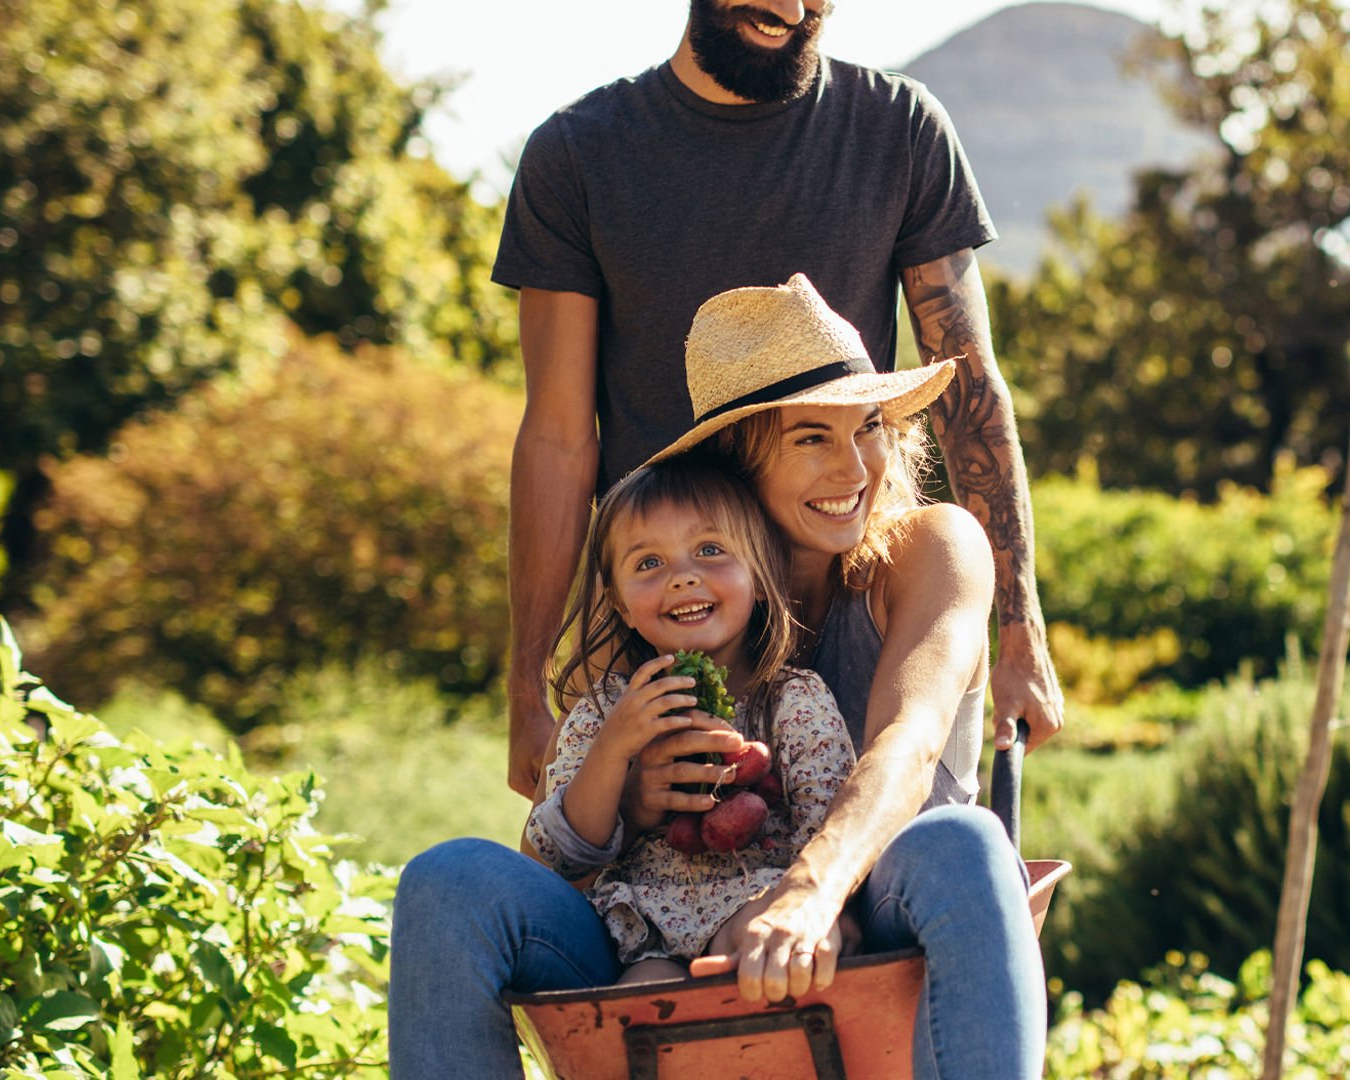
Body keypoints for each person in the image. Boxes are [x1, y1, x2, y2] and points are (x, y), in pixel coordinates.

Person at [390, 275, 1044, 1078]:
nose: (854, 468)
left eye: (868, 428)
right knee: (447, 880)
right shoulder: (664, 595)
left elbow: (905, 743)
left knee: (967, 839)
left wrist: (809, 895)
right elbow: (567, 840)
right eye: (811, 438)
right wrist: (631, 796)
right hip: (660, 937)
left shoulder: (930, 548)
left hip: (879, 903)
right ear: (738, 459)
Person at [494, 0, 1065, 803]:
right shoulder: (580, 154)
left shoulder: (897, 128)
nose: (791, 10)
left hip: (848, 607)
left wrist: (1018, 627)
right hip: (667, 616)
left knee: (894, 857)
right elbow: (557, 436)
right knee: (661, 899)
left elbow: (968, 387)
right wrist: (527, 683)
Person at [523, 455, 856, 984]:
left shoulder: (793, 700)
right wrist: (614, 750)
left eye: (710, 550)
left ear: (761, 577)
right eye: (648, 563)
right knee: (643, 1007)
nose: (682, 578)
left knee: (756, 940)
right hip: (642, 932)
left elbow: (832, 826)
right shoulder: (606, 711)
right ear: (621, 604)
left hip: (760, 904)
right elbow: (555, 855)